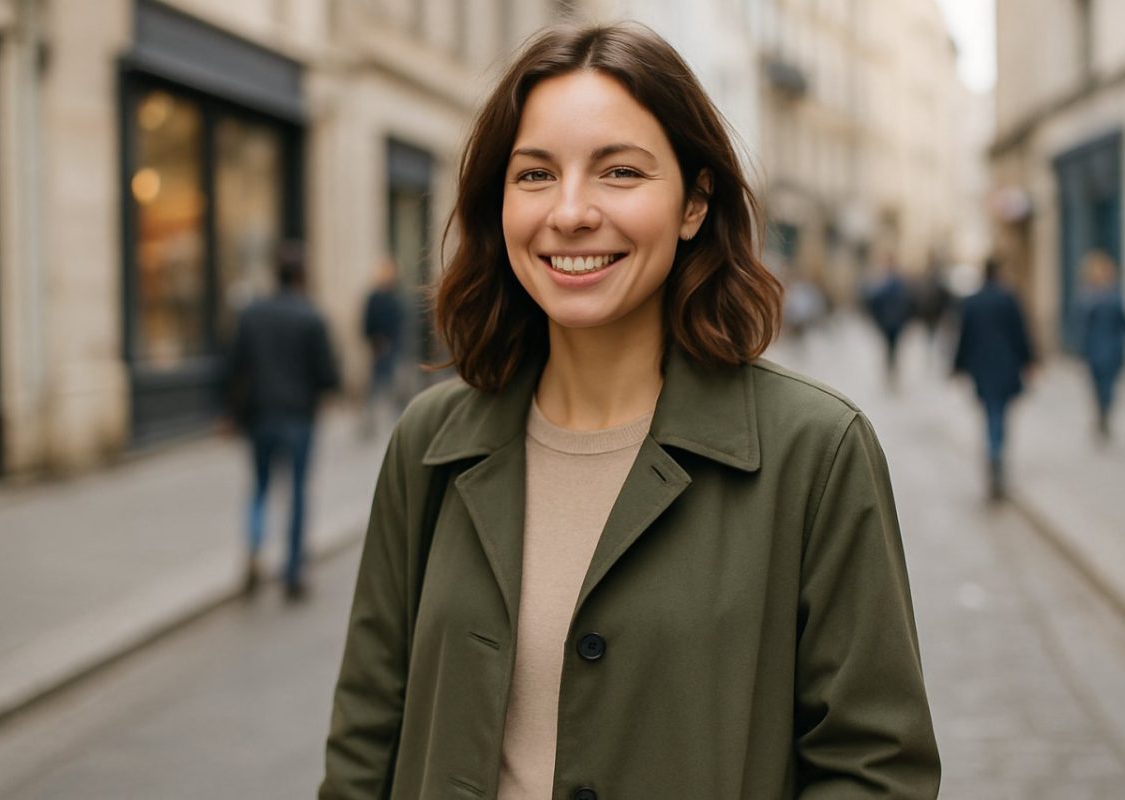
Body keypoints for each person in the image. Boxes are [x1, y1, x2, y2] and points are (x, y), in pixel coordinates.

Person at [321, 23, 939, 799]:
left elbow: (877, 769)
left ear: (693, 204)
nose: (570, 211)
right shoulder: (429, 442)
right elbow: (365, 736)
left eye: (619, 171)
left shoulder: (814, 452)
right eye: (535, 174)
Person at [226, 240, 339, 600]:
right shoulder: (311, 316)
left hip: (261, 415)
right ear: (302, 275)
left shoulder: (252, 313)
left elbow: (234, 366)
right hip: (298, 417)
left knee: (260, 487)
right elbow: (329, 376)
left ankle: (253, 551)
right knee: (297, 494)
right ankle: (292, 571)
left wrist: (230, 413)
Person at [952, 256, 1034, 500]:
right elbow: (1020, 333)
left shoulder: (972, 301)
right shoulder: (1008, 299)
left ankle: (994, 454)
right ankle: (996, 455)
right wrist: (1029, 360)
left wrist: (957, 366)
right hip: (1006, 366)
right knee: (1000, 414)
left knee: (991, 412)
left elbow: (964, 336)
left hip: (982, 368)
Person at [1078, 250, 1125, 441]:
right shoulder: (1096, 297)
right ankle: (1103, 413)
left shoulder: (1096, 296)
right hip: (1102, 348)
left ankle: (1103, 413)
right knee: (1102, 386)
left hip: (1105, 349)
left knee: (1105, 386)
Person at [361, 256, 406, 435]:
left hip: (392, 347)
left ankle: (396, 421)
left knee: (393, 385)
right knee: (375, 386)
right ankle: (369, 422)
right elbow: (367, 322)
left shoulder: (395, 297)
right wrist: (374, 340)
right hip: (378, 347)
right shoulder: (375, 297)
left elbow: (400, 323)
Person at [863, 255, 912, 387]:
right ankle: (891, 371)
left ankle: (891, 371)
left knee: (891, 349)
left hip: (892, 323)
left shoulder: (888, 284)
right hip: (891, 323)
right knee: (891, 349)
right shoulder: (892, 284)